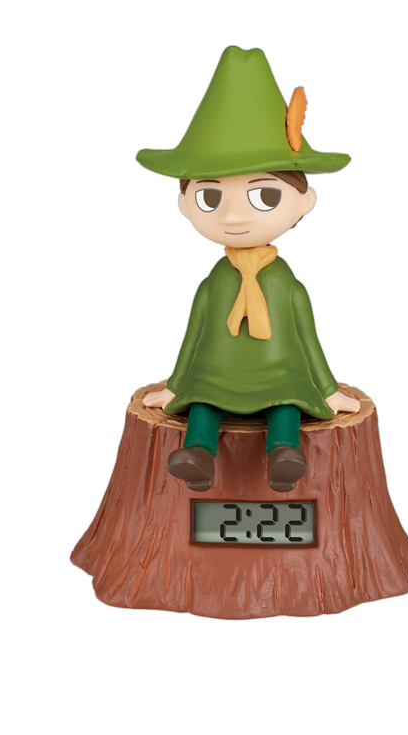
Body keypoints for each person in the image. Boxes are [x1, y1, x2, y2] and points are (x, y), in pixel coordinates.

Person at [137, 46, 358, 492]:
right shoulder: (215, 282)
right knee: (202, 406)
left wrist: (326, 388)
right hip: (214, 374)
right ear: (185, 204)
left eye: (264, 196)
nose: (233, 216)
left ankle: (284, 453)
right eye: (210, 197)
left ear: (304, 201)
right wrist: (177, 386)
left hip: (281, 374)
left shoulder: (284, 283)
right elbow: (195, 334)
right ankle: (197, 454)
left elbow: (306, 336)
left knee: (285, 406)